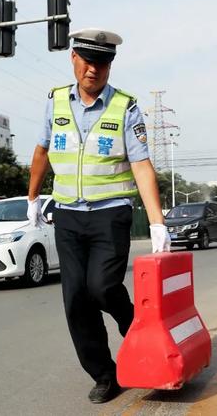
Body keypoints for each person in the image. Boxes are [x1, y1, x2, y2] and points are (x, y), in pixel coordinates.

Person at [26, 28, 171, 404]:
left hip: (111, 214)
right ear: (73, 58)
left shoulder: (125, 106)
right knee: (76, 298)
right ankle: (106, 374)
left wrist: (157, 221)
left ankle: (135, 326)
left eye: (103, 62)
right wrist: (32, 198)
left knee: (102, 287)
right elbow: (42, 152)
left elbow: (141, 165)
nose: (94, 69)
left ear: (111, 65)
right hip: (68, 216)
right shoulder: (55, 102)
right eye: (88, 60)